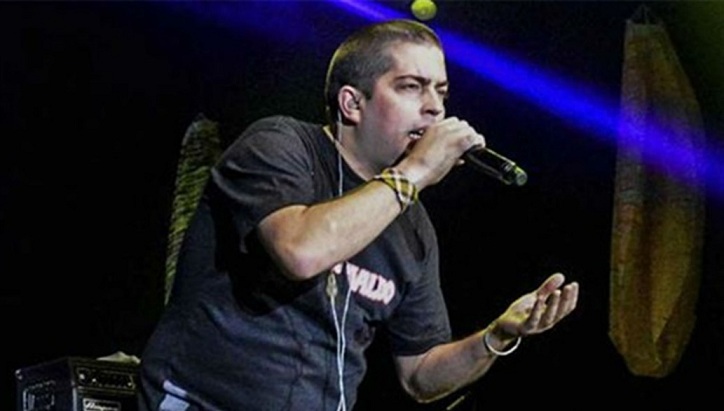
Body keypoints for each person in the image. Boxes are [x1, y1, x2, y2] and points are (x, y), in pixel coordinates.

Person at [137, 18, 579, 411]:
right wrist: (416, 171)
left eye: (441, 92)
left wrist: (497, 335)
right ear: (352, 103)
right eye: (411, 86)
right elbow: (299, 252)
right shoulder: (280, 145)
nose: (435, 107)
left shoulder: (413, 226)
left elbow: (421, 376)